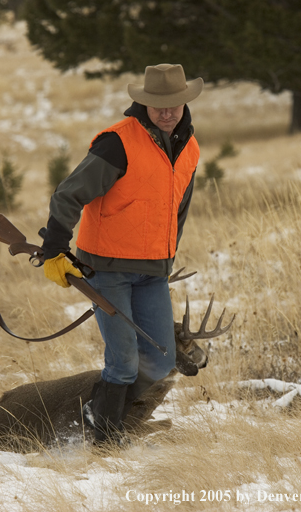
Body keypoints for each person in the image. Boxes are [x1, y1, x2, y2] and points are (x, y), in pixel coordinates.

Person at [42, 63, 203, 443]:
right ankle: (106, 439)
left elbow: (177, 210)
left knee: (162, 361)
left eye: (173, 105)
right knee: (124, 362)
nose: (166, 112)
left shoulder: (190, 147)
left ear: (184, 102)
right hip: (107, 269)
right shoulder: (117, 143)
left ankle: (97, 413)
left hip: (153, 274)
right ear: (142, 103)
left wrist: (166, 257)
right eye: (157, 105)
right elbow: (69, 194)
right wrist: (54, 248)